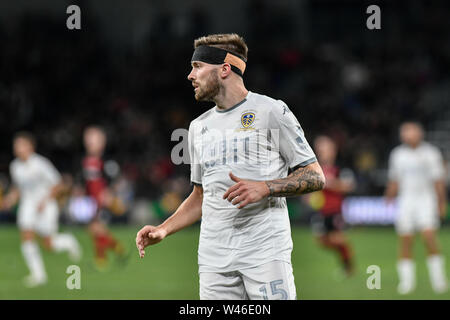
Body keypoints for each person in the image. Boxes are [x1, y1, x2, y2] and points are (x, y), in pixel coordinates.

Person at [136, 33, 325, 300]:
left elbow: (315, 176)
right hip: (214, 260)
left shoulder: (271, 111)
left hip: (265, 254)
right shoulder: (198, 127)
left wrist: (266, 187)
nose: (190, 75)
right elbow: (201, 196)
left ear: (225, 69)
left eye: (198, 66)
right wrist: (163, 229)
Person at [1, 132, 81, 287]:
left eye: (21, 145)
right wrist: (10, 199)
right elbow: (18, 188)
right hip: (28, 206)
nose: (17, 148)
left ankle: (69, 241)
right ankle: (38, 275)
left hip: (46, 206)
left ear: (30, 146)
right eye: (16, 145)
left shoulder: (41, 164)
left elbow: (58, 184)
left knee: (48, 244)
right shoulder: (15, 166)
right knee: (27, 235)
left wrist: (44, 201)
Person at [385, 121, 448, 294]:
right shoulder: (397, 154)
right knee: (406, 240)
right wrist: (388, 197)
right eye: (404, 132)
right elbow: (394, 180)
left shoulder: (431, 153)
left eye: (411, 131)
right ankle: (407, 282)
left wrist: (441, 203)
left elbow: (438, 181)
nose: (407, 135)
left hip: (426, 200)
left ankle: (439, 280)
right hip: (406, 200)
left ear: (419, 133)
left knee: (429, 237)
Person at [80, 126, 128, 271]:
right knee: (95, 229)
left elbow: (115, 179)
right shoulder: (86, 160)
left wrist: (109, 194)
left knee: (95, 227)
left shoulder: (106, 161)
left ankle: (104, 258)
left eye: (93, 139)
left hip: (101, 200)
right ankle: (116, 249)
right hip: (91, 200)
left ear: (102, 143)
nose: (89, 142)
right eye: (88, 138)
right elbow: (86, 182)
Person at [310, 135, 355, 277]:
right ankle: (344, 252)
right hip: (321, 211)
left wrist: (331, 183)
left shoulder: (340, 168)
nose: (322, 151)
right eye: (320, 149)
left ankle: (348, 267)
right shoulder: (316, 169)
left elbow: (349, 186)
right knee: (321, 241)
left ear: (333, 150)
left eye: (325, 148)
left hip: (335, 210)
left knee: (337, 238)